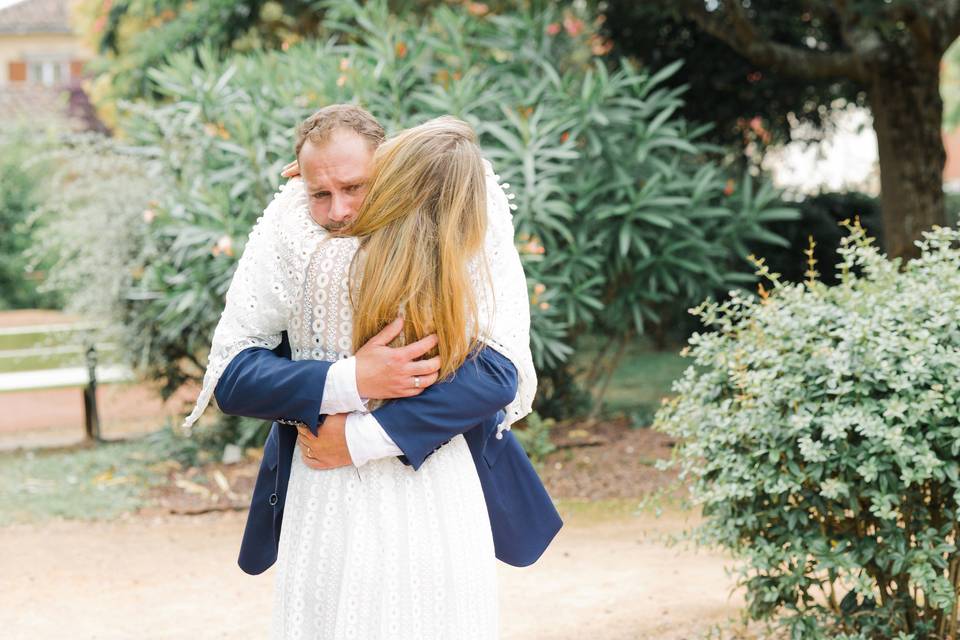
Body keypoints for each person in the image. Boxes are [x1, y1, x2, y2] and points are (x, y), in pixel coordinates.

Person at [183, 106, 561, 638]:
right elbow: (232, 377)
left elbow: (497, 370)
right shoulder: (287, 227)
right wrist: (351, 380)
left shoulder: (446, 217)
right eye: (320, 193)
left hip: (430, 484)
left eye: (354, 186)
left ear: (389, 167)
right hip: (320, 493)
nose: (338, 210)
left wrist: (359, 437)